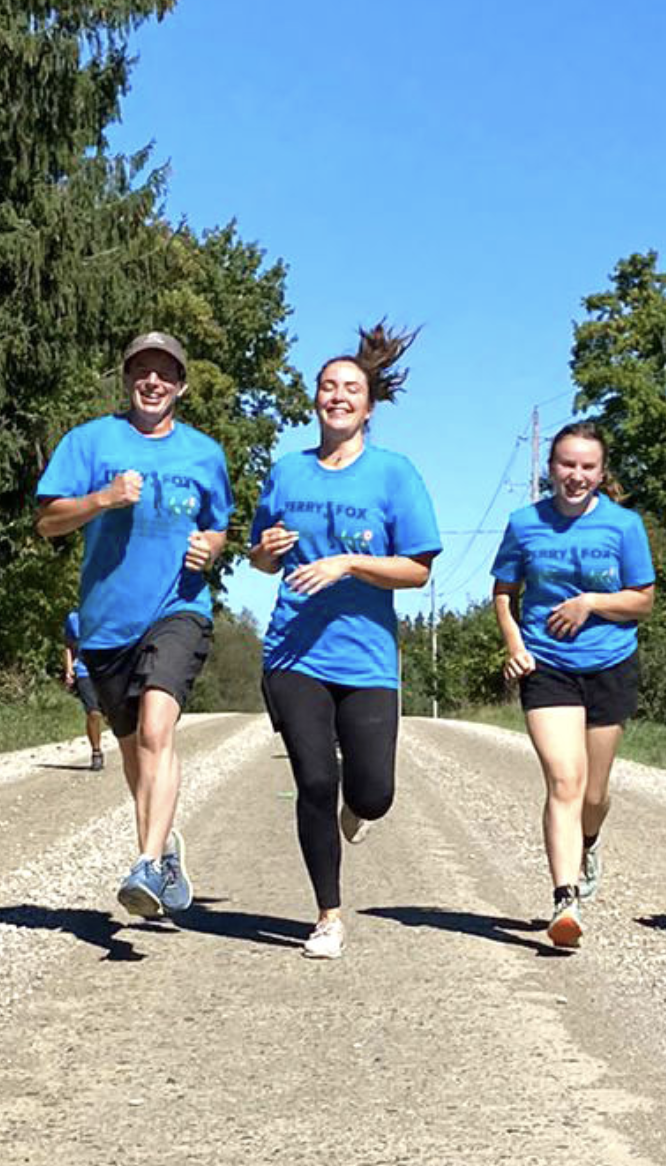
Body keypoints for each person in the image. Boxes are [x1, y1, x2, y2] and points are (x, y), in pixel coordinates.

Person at [249, 322, 440, 960]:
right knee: (312, 781)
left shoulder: (394, 475)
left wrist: (350, 565)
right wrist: (266, 552)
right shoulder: (286, 473)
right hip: (293, 654)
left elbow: (416, 570)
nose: (338, 396)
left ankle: (358, 815)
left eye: (350, 388)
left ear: (369, 404)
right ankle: (328, 915)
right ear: (315, 399)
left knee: (373, 794)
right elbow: (259, 558)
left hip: (367, 658)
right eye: (328, 387)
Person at [36, 331, 233, 919]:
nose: (153, 382)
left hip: (179, 608)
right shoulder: (90, 441)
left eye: (165, 374)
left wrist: (211, 548)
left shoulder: (205, 453)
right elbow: (47, 522)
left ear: (181, 386)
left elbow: (219, 526)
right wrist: (102, 499)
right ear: (127, 380)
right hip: (106, 623)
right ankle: (164, 846)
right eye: (142, 371)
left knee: (156, 730)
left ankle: (146, 863)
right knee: (132, 750)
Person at [491, 422, 655, 949]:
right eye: (567, 464)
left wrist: (591, 602)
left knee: (594, 794)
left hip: (610, 663)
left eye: (587, 467)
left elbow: (643, 600)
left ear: (602, 473)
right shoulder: (524, 524)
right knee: (564, 780)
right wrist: (516, 645)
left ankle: (588, 839)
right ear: (551, 468)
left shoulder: (624, 526)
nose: (576, 476)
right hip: (548, 666)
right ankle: (566, 898)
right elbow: (503, 592)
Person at [62, 608, 104, 770]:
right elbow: (68, 645)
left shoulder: (105, 611)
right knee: (93, 712)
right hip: (84, 670)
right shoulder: (73, 617)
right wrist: (68, 670)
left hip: (105, 670)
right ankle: (96, 752)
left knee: (112, 713)